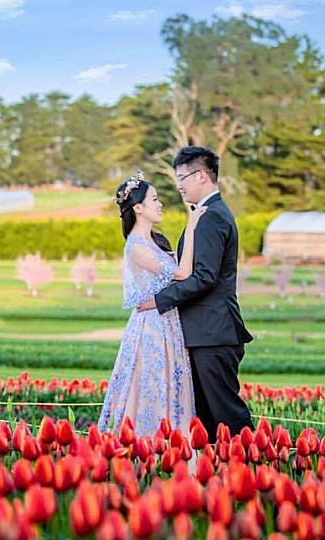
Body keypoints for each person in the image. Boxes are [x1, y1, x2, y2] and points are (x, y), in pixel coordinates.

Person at [137, 146, 254, 442]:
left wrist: (161, 300)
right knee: (208, 420)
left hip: (213, 332)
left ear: (201, 176)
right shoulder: (207, 213)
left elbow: (204, 277)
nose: (179, 185)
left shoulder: (211, 216)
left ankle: (258, 469)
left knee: (226, 414)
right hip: (205, 332)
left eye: (182, 177)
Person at [97, 171, 207, 437]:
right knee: (150, 385)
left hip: (168, 323)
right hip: (151, 328)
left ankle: (172, 446)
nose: (160, 204)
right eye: (154, 199)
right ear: (138, 208)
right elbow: (182, 273)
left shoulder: (155, 242)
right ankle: (147, 448)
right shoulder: (136, 247)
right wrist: (191, 227)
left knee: (171, 383)